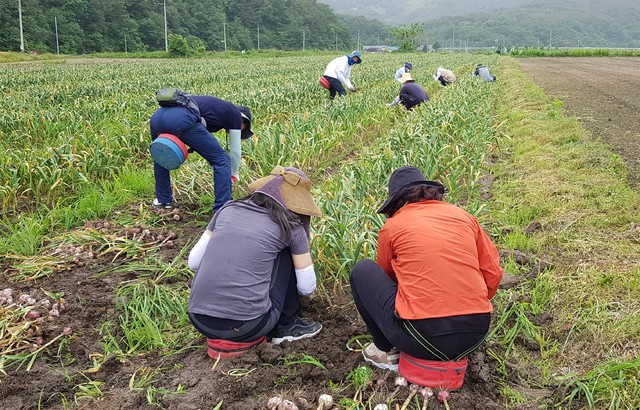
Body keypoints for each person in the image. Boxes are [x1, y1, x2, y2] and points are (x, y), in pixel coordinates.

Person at [350, 166, 503, 371]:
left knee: (362, 270)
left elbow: (387, 279)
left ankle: (385, 351)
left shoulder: (393, 226)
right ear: (430, 193)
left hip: (420, 339)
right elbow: (492, 273)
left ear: (396, 202)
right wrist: (467, 304)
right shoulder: (464, 216)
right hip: (476, 334)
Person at [187, 165, 323, 347]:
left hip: (199, 320)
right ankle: (287, 326)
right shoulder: (289, 225)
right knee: (285, 252)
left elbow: (193, 262)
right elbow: (307, 287)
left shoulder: (227, 209)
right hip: (249, 326)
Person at [149, 95, 253, 213]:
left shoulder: (212, 109)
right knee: (222, 159)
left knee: (161, 155)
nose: (242, 130)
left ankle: (163, 201)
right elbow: (235, 151)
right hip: (181, 120)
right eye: (244, 128)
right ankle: (222, 209)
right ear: (243, 120)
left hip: (156, 118)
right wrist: (234, 173)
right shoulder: (235, 114)